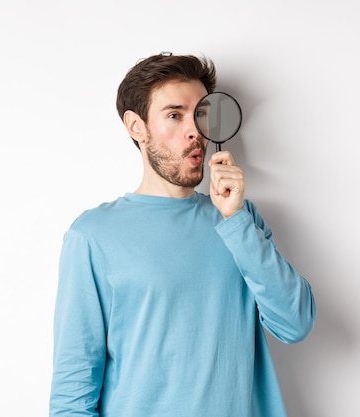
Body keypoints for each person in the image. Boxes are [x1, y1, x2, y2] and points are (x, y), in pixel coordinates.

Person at [49, 52, 316, 417]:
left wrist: (235, 219)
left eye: (201, 115)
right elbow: (73, 390)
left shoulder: (238, 219)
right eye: (175, 115)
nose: (195, 130)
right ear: (135, 126)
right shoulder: (92, 235)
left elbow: (295, 323)